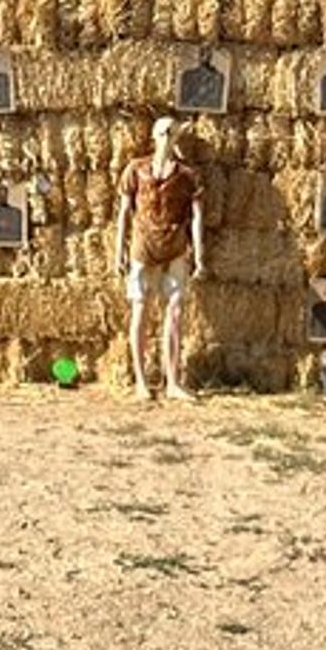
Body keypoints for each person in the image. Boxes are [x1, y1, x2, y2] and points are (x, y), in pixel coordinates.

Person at [113, 116, 205, 401]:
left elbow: (197, 218)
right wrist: (119, 251)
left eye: (172, 133)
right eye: (163, 132)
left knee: (175, 313)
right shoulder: (135, 170)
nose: (167, 137)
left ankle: (173, 382)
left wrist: (199, 255)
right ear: (154, 135)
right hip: (143, 246)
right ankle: (141, 381)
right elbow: (124, 213)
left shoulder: (188, 175)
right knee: (140, 310)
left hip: (175, 246)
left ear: (177, 138)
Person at [178, 48, 226, 113]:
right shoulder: (188, 75)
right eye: (202, 54)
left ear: (210, 56)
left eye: (207, 54)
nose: (204, 56)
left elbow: (214, 101)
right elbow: (186, 100)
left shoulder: (217, 77)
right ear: (198, 56)